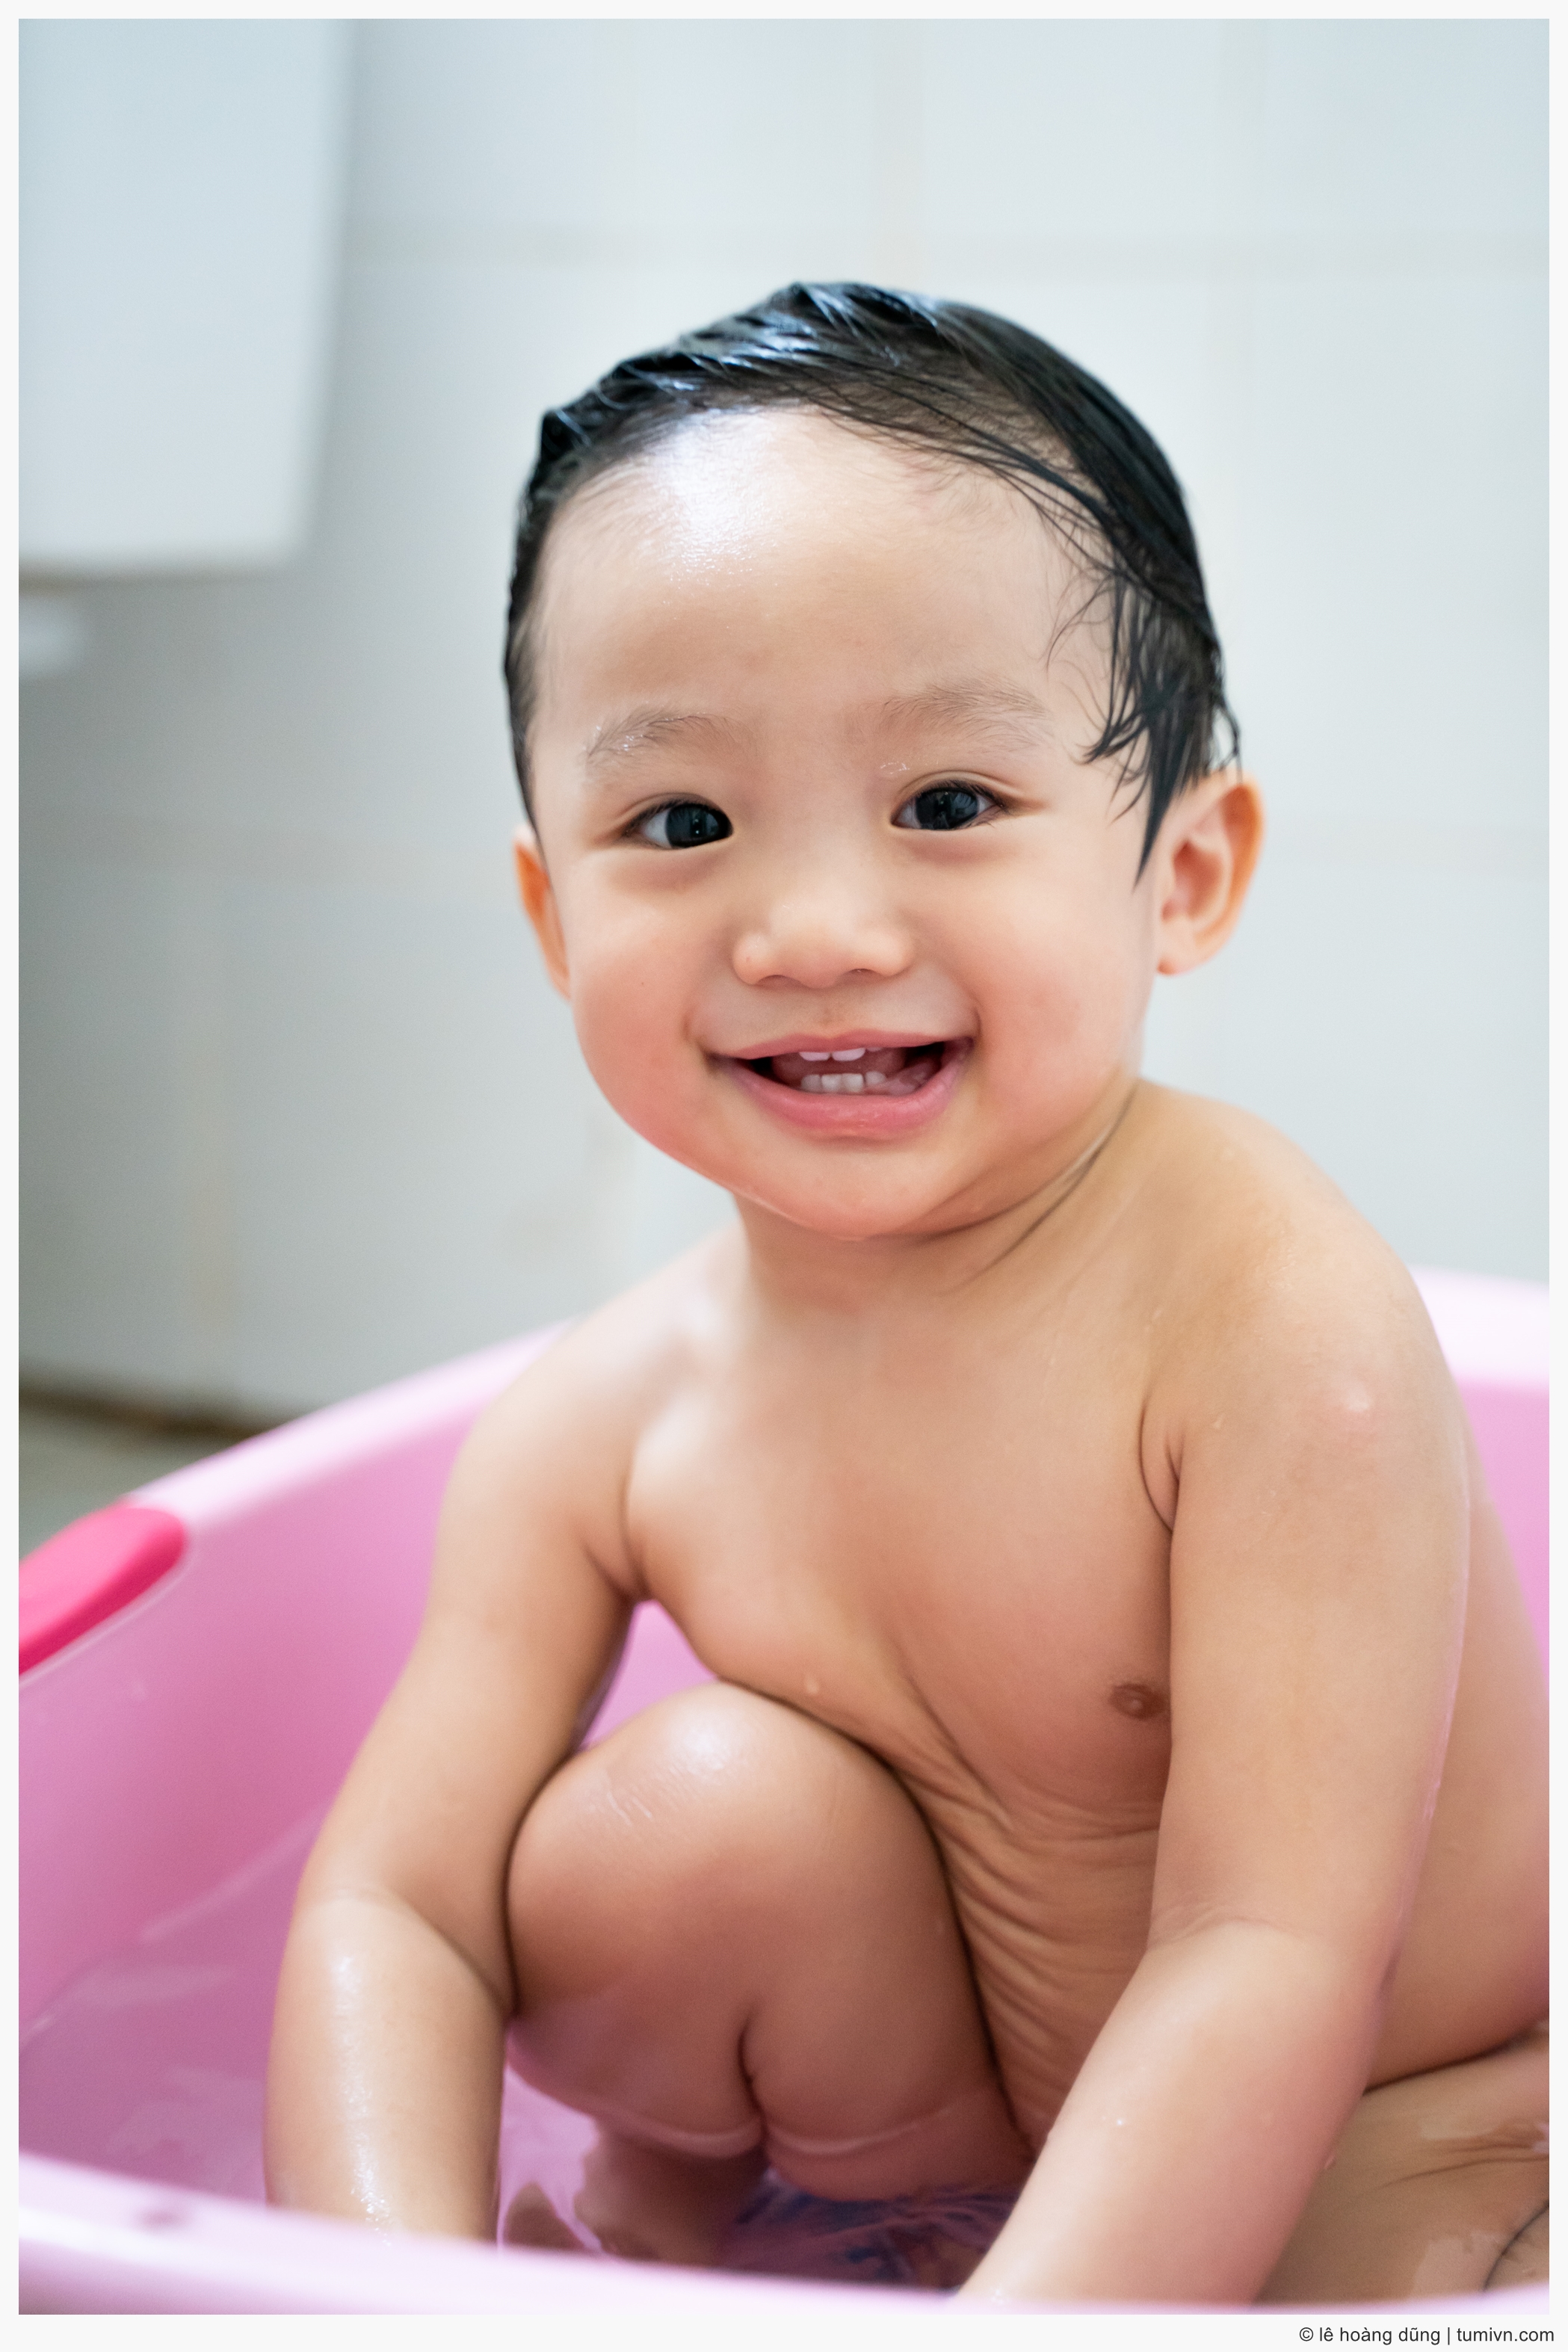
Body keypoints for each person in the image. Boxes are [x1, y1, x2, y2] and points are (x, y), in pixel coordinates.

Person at [264, 285, 1547, 2306]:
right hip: (954, 2127)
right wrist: (378, 2306)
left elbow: (1270, 1948)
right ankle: (790, 2222)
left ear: (1183, 874)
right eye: (679, 822)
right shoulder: (604, 1427)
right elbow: (394, 1911)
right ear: (553, 911)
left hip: (1396, 2117)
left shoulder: (1268, 1327)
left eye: (946, 804)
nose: (814, 930)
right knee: (660, 1838)